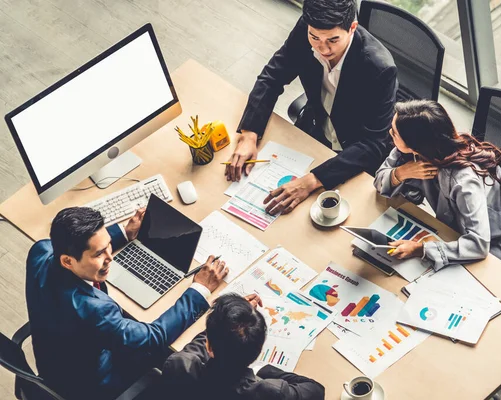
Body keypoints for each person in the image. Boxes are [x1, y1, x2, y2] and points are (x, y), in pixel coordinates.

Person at [25, 206, 229, 399]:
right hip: (91, 384)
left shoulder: (40, 250)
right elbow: (152, 337)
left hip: (54, 360)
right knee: (174, 357)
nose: (110, 258)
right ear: (68, 261)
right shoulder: (94, 310)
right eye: (99, 254)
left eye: (108, 247)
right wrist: (199, 290)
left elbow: (71, 247)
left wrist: (124, 233)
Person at [226, 0, 397, 215]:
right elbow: (272, 77)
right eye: (314, 37)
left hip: (353, 154)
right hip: (315, 129)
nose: (322, 48)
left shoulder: (379, 68)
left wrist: (312, 180)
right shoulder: (308, 30)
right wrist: (249, 134)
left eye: (333, 40)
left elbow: (373, 144)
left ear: (352, 27)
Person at [374, 100, 501, 279]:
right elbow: (379, 181)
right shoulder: (414, 151)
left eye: (395, 133)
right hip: (456, 233)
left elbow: (479, 244)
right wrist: (400, 173)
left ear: (415, 143)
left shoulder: (464, 181)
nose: (390, 134)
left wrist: (420, 249)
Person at [160, 293, 325, 400]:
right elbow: (316, 390)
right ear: (260, 350)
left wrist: (228, 319)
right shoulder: (269, 393)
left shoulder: (181, 365)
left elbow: (203, 344)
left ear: (208, 344)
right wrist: (264, 370)